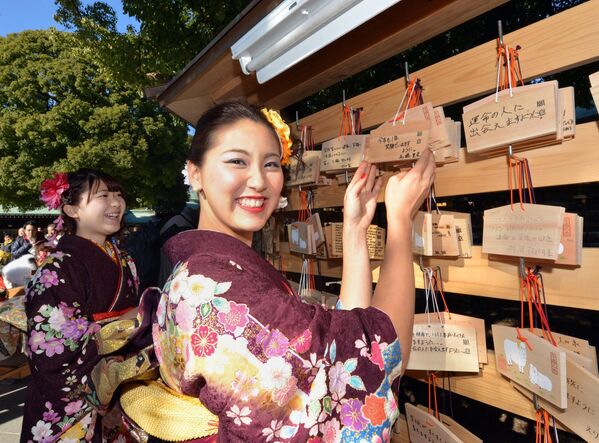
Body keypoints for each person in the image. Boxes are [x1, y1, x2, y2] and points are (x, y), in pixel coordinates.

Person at [112, 101, 435, 442]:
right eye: (237, 161)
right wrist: (399, 221)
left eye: (270, 164)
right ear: (195, 173)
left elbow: (337, 338)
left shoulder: (210, 272)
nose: (258, 180)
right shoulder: (216, 293)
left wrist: (355, 231)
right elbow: (374, 352)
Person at [21, 169, 140, 443]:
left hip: (121, 388)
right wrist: (123, 325)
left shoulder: (125, 260)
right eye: (103, 195)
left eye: (118, 194)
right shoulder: (57, 268)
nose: (116, 203)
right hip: (71, 399)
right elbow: (49, 347)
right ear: (72, 209)